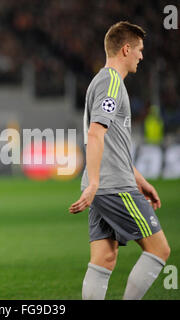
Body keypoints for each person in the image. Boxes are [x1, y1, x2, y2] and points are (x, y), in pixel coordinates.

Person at [69, 21, 170, 300]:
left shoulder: (102, 82)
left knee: (104, 259)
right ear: (126, 49)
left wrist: (140, 180)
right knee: (160, 250)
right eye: (139, 50)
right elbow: (96, 133)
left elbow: (113, 145)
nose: (141, 55)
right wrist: (97, 183)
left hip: (104, 185)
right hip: (113, 186)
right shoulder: (111, 82)